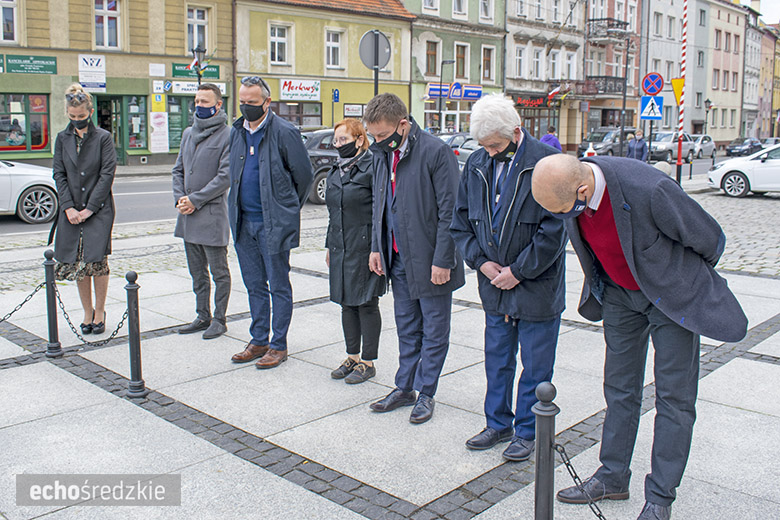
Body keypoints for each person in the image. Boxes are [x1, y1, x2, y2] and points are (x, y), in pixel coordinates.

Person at [531, 154, 748, 520]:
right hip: (618, 295)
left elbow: (710, 239)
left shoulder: (649, 188)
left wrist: (679, 279)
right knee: (619, 388)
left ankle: (660, 498)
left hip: (670, 298)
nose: (563, 219)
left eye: (565, 211)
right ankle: (613, 476)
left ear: (583, 189)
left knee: (674, 399)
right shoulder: (569, 190)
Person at [451, 94, 566, 462]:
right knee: (497, 359)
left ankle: (528, 432)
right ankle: (497, 422)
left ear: (516, 132)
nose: (489, 151)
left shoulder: (548, 165)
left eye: (495, 145)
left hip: (535, 287)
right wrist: (481, 263)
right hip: (493, 285)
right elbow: (461, 223)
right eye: (483, 146)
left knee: (535, 366)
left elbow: (554, 232)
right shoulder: (478, 164)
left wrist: (517, 272)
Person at [364, 93, 465, 424]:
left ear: (403, 125)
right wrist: (377, 247)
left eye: (382, 135)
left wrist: (443, 260)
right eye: (373, 136)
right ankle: (404, 386)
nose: (377, 142)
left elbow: (452, 210)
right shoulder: (382, 154)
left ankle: (427, 392)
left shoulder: (435, 152)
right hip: (397, 258)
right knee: (407, 327)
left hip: (431, 259)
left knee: (434, 330)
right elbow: (380, 203)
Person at [228, 76, 313, 369]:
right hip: (243, 222)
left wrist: (285, 210)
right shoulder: (237, 131)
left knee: (278, 285)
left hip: (272, 224)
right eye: (242, 102)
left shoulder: (285, 132)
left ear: (267, 102)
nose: (246, 107)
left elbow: (304, 178)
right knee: (254, 285)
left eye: (252, 103)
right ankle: (258, 339)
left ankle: (278, 345)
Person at [51, 84, 116, 335]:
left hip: (98, 210)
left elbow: (107, 174)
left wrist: (89, 209)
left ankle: (100, 310)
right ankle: (87, 311)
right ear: (68, 113)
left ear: (90, 111)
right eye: (72, 116)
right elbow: (59, 173)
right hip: (71, 211)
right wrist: (67, 207)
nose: (77, 121)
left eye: (81, 116)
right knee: (79, 263)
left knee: (97, 261)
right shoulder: (62, 138)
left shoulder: (103, 138)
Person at [326, 119, 386, 384]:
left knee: (365, 302)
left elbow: (380, 212)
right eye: (336, 141)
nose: (339, 145)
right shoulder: (335, 170)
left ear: (360, 139)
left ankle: (368, 361)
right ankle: (352, 356)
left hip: (365, 246)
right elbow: (332, 213)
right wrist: (330, 245)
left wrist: (377, 247)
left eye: (343, 140)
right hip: (341, 245)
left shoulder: (372, 167)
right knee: (346, 303)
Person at [172, 83, 231, 340]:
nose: (199, 106)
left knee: (219, 272)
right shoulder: (188, 133)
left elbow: (225, 176)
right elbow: (178, 170)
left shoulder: (228, 135)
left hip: (211, 215)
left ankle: (219, 318)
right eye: (196, 101)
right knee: (197, 272)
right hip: (187, 216)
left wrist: (196, 199)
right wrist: (180, 200)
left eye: (205, 102)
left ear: (218, 105)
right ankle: (202, 314)